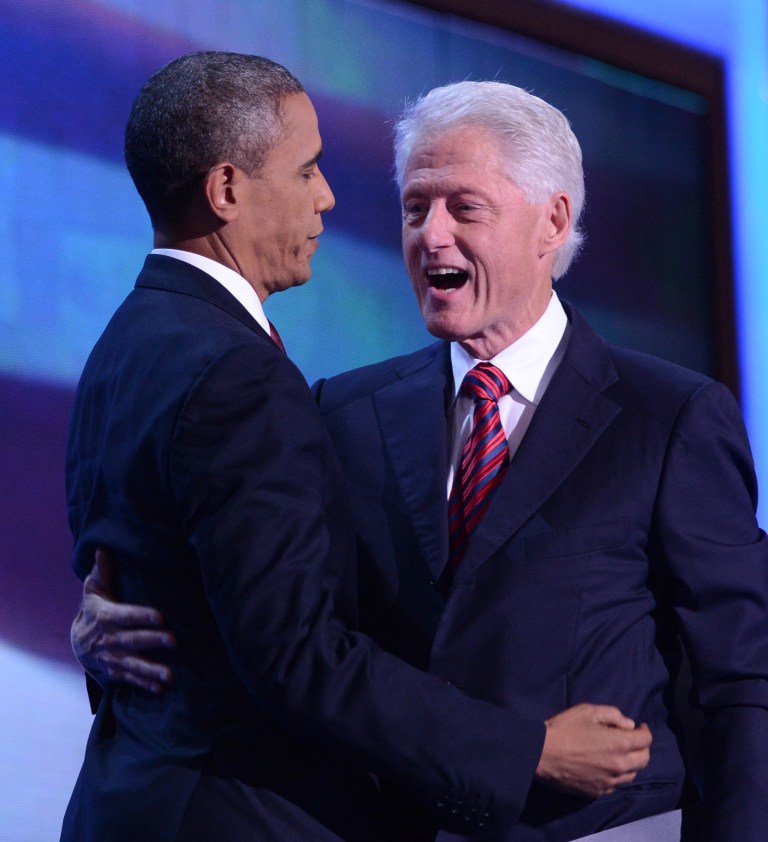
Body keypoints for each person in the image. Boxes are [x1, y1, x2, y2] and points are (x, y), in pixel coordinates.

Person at [61, 56, 651, 842]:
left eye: (465, 207)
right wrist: (529, 750)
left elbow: (167, 581)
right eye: (306, 169)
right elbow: (297, 656)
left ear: (551, 221)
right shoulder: (249, 378)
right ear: (227, 190)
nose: (328, 195)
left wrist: (103, 635)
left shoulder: (122, 345)